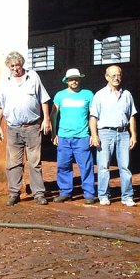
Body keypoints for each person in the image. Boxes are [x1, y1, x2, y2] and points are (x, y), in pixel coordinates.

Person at [0, 51, 52, 206]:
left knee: (35, 162)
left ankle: (38, 194)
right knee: (13, 163)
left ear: (22, 64)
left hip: (32, 127)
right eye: (12, 66)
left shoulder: (33, 77)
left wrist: (46, 119)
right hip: (13, 128)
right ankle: (14, 193)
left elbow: (43, 100)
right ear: (9, 67)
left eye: (17, 65)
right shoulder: (4, 83)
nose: (15, 68)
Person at [90, 65, 138, 206]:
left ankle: (127, 196)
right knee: (103, 166)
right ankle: (103, 195)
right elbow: (93, 117)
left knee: (125, 166)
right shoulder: (100, 95)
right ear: (107, 77)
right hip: (105, 133)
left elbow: (131, 116)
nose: (116, 78)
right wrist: (94, 135)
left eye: (119, 75)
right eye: (113, 76)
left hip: (123, 133)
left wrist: (133, 135)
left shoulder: (127, 95)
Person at [50, 68, 96, 205]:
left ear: (80, 79)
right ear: (66, 81)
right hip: (63, 137)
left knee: (86, 166)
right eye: (71, 79)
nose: (74, 81)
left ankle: (89, 194)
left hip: (82, 136)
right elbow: (53, 115)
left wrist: (93, 134)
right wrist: (54, 134)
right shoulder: (60, 95)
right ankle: (65, 192)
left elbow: (93, 115)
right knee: (63, 166)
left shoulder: (88, 94)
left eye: (76, 79)